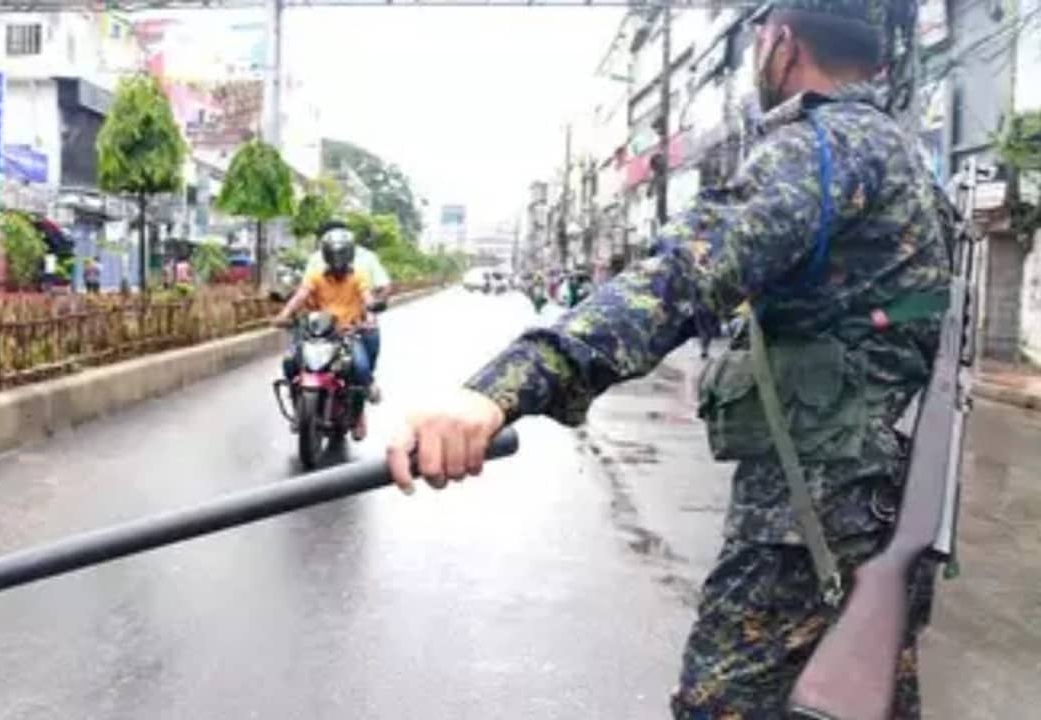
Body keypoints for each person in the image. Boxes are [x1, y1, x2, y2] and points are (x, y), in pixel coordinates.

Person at [386, 1, 950, 717]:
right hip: (883, 505)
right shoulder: (908, 159)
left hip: (813, 517)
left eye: (755, 41)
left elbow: (682, 276)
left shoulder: (822, 147)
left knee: (720, 706)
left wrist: (498, 390)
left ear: (781, 45)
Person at [274, 228, 377, 440]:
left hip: (347, 333)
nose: (337, 259)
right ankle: (299, 411)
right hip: (318, 333)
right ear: (325, 255)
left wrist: (371, 314)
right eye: (332, 254)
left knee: (360, 367)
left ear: (349, 254)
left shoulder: (359, 277)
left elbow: (367, 297)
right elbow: (300, 296)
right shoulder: (315, 276)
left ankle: (358, 416)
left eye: (341, 254)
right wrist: (283, 315)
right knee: (290, 362)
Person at [302, 220, 391, 399]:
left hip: (358, 323)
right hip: (321, 327)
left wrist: (372, 309)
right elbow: (303, 293)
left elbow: (384, 287)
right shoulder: (315, 261)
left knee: (362, 365)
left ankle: (367, 386)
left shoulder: (366, 259)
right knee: (294, 358)